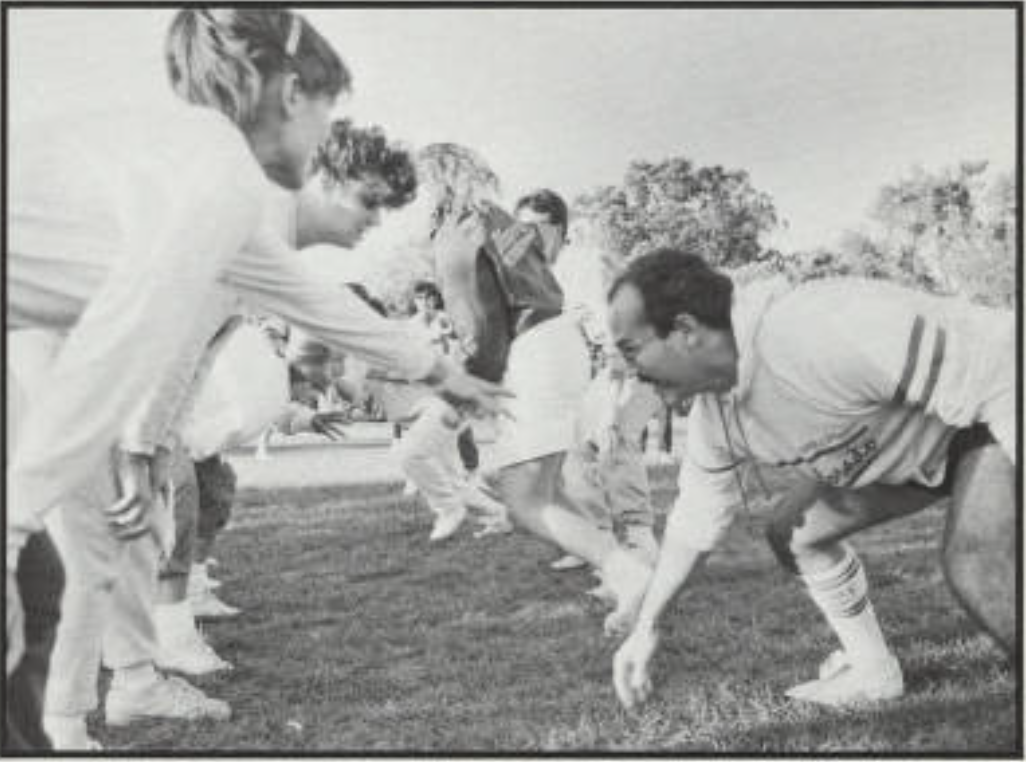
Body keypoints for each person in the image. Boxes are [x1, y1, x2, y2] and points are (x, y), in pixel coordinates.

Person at [7, 9, 505, 750]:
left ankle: (65, 724)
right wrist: (27, 514)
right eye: (329, 108)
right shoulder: (222, 181)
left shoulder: (215, 178)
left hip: (35, 346)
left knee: (58, 579)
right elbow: (124, 340)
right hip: (51, 363)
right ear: (293, 93)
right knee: (48, 581)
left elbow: (309, 300)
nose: (327, 132)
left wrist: (435, 370)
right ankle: (71, 718)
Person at [609, 248, 1015, 710]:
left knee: (979, 562)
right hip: (925, 450)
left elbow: (1001, 365)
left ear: (684, 331)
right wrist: (646, 627)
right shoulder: (715, 418)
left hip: (998, 395)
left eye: (632, 350)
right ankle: (872, 672)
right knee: (794, 532)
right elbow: (694, 524)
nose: (628, 371)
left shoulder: (816, 329)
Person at [423, 153, 654, 632]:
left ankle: (631, 575)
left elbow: (481, 331)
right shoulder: (499, 220)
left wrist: (464, 393)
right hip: (559, 342)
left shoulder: (455, 232)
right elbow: (540, 285)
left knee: (523, 499)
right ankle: (620, 571)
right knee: (550, 484)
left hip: (535, 351)